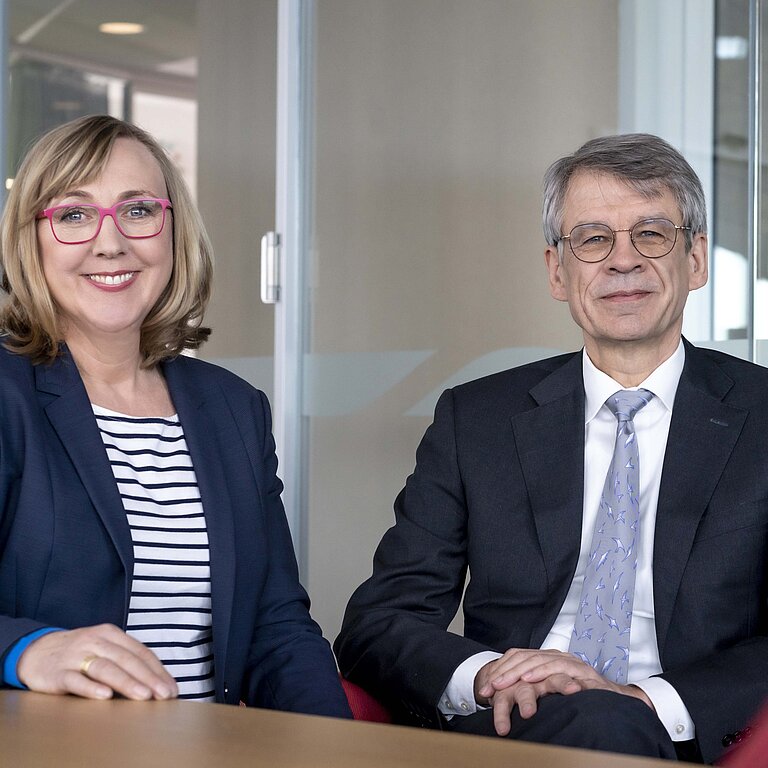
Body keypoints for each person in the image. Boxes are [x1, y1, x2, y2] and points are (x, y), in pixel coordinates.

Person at [334, 133, 768, 763]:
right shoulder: (477, 419)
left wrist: (648, 702)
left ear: (696, 259)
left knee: (606, 725)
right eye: (593, 240)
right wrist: (490, 675)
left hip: (683, 732)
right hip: (513, 727)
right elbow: (378, 623)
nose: (623, 261)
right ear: (557, 272)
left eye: (651, 234)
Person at [0, 114, 351, 718]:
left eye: (137, 211)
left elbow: (276, 626)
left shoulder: (233, 408)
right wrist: (27, 649)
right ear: (29, 240)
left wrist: (343, 749)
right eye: (73, 215)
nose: (110, 243)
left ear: (172, 231)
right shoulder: (8, 394)